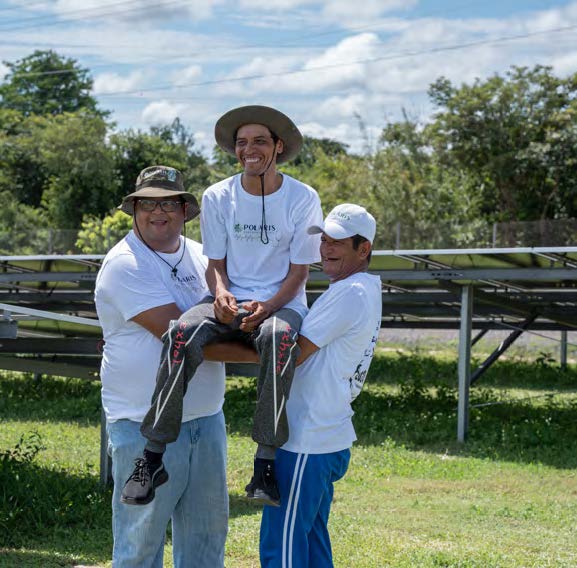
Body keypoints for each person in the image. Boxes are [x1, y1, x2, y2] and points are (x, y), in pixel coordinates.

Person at [122, 105, 323, 508]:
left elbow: (300, 273)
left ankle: (265, 461)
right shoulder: (218, 196)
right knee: (181, 332)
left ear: (278, 146)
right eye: (242, 142)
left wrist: (268, 305)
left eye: (260, 141)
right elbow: (215, 265)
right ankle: (153, 455)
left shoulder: (303, 197)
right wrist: (221, 295)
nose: (250, 149)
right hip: (227, 297)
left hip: (282, 301)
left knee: (280, 339)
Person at [95, 165, 250, 567]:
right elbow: (182, 340)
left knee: (206, 542)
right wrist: (275, 355)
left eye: (168, 203)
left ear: (184, 210)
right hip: (142, 425)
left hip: (206, 419)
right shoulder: (125, 264)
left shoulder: (202, 257)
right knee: (140, 546)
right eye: (147, 203)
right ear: (134, 210)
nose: (157, 212)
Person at [259, 203, 383, 568]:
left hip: (307, 439)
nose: (326, 249)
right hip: (325, 435)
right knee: (311, 540)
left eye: (338, 243)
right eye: (324, 240)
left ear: (364, 249)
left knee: (282, 545)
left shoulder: (351, 292)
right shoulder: (360, 288)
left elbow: (291, 355)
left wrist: (222, 345)